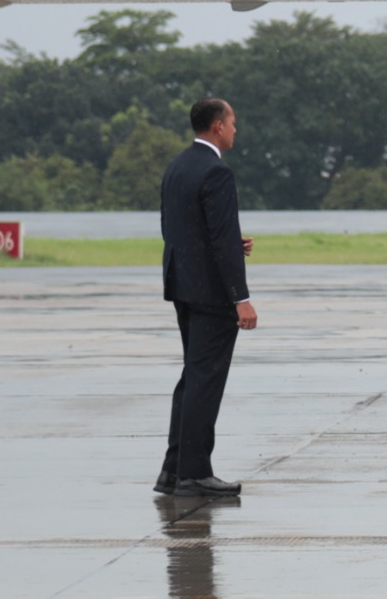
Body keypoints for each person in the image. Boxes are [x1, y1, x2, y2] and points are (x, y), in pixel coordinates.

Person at [159, 98, 256, 498]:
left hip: (183, 286)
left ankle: (173, 470)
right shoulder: (217, 172)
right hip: (212, 294)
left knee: (192, 378)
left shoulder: (178, 166)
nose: (236, 130)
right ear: (218, 126)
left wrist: (230, 243)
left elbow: (178, 227)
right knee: (205, 381)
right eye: (233, 123)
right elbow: (217, 239)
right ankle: (195, 473)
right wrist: (241, 298)